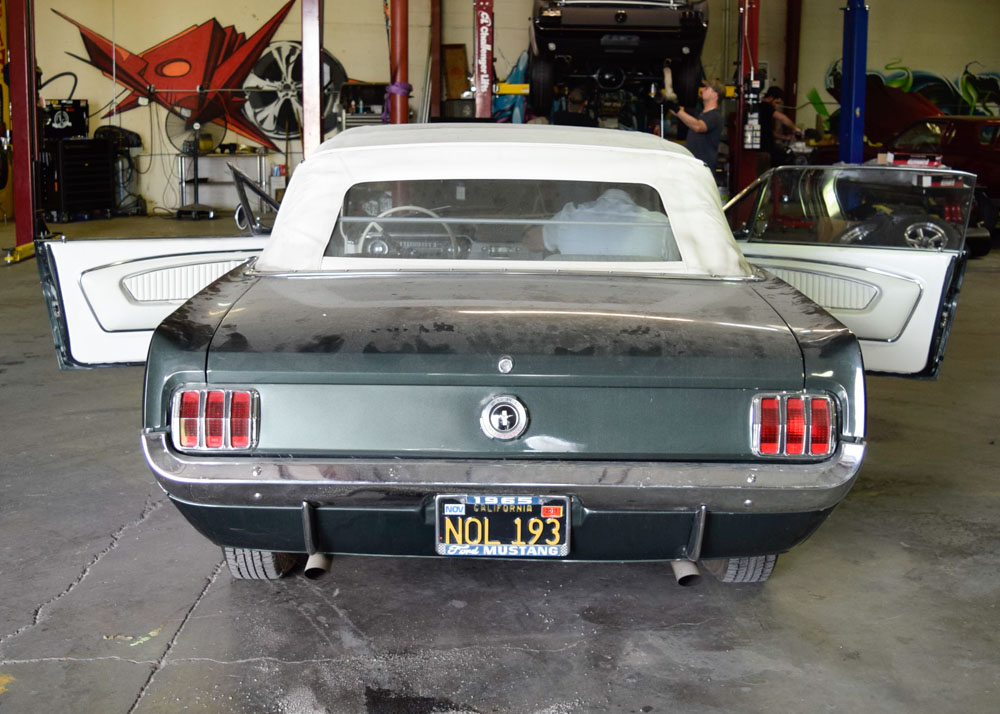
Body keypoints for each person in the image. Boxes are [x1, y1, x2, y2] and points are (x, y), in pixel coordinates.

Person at [666, 79, 724, 170]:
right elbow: (683, 113)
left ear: (715, 94)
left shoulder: (715, 116)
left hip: (703, 168)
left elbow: (698, 127)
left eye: (706, 88)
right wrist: (669, 104)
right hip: (693, 166)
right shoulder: (700, 114)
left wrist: (677, 111)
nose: (702, 90)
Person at [760, 86, 803, 166]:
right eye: (776, 102)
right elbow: (782, 118)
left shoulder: (762, 109)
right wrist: (795, 128)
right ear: (771, 97)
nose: (776, 106)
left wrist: (786, 137)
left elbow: (768, 132)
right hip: (764, 149)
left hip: (766, 147)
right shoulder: (765, 106)